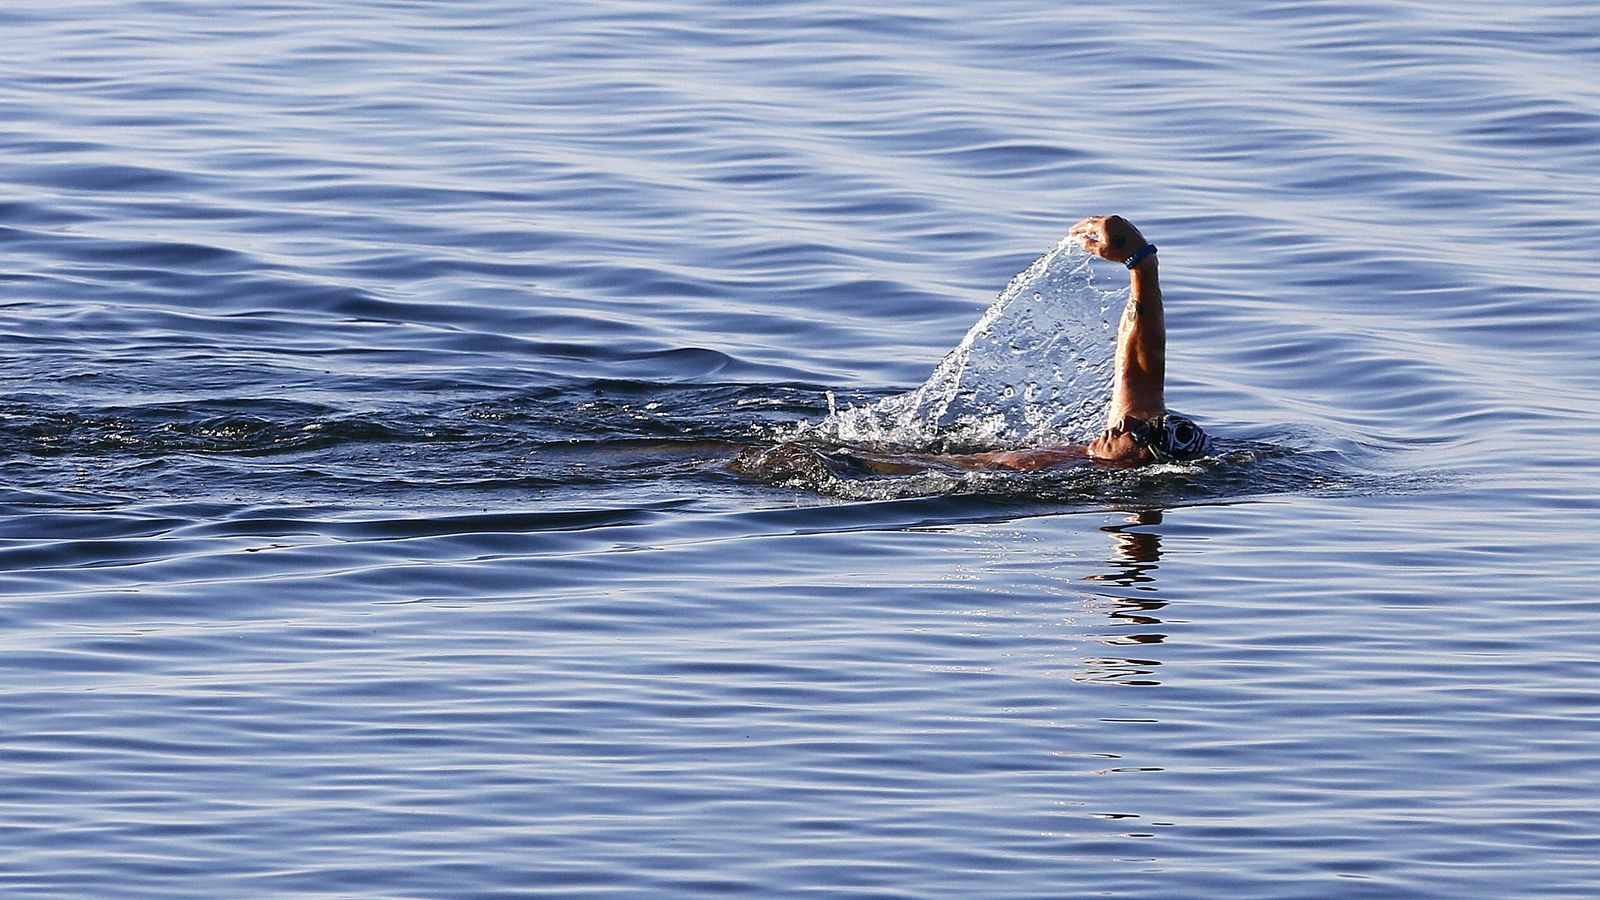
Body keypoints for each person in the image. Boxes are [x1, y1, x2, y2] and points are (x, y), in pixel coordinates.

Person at [957, 214, 1210, 469]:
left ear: (1149, 459)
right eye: (1140, 420)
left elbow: (1147, 507)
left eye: (1140, 433)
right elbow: (1139, 369)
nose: (1125, 422)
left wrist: (1145, 510)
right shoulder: (1117, 442)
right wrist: (1142, 263)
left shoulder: (1090, 478)